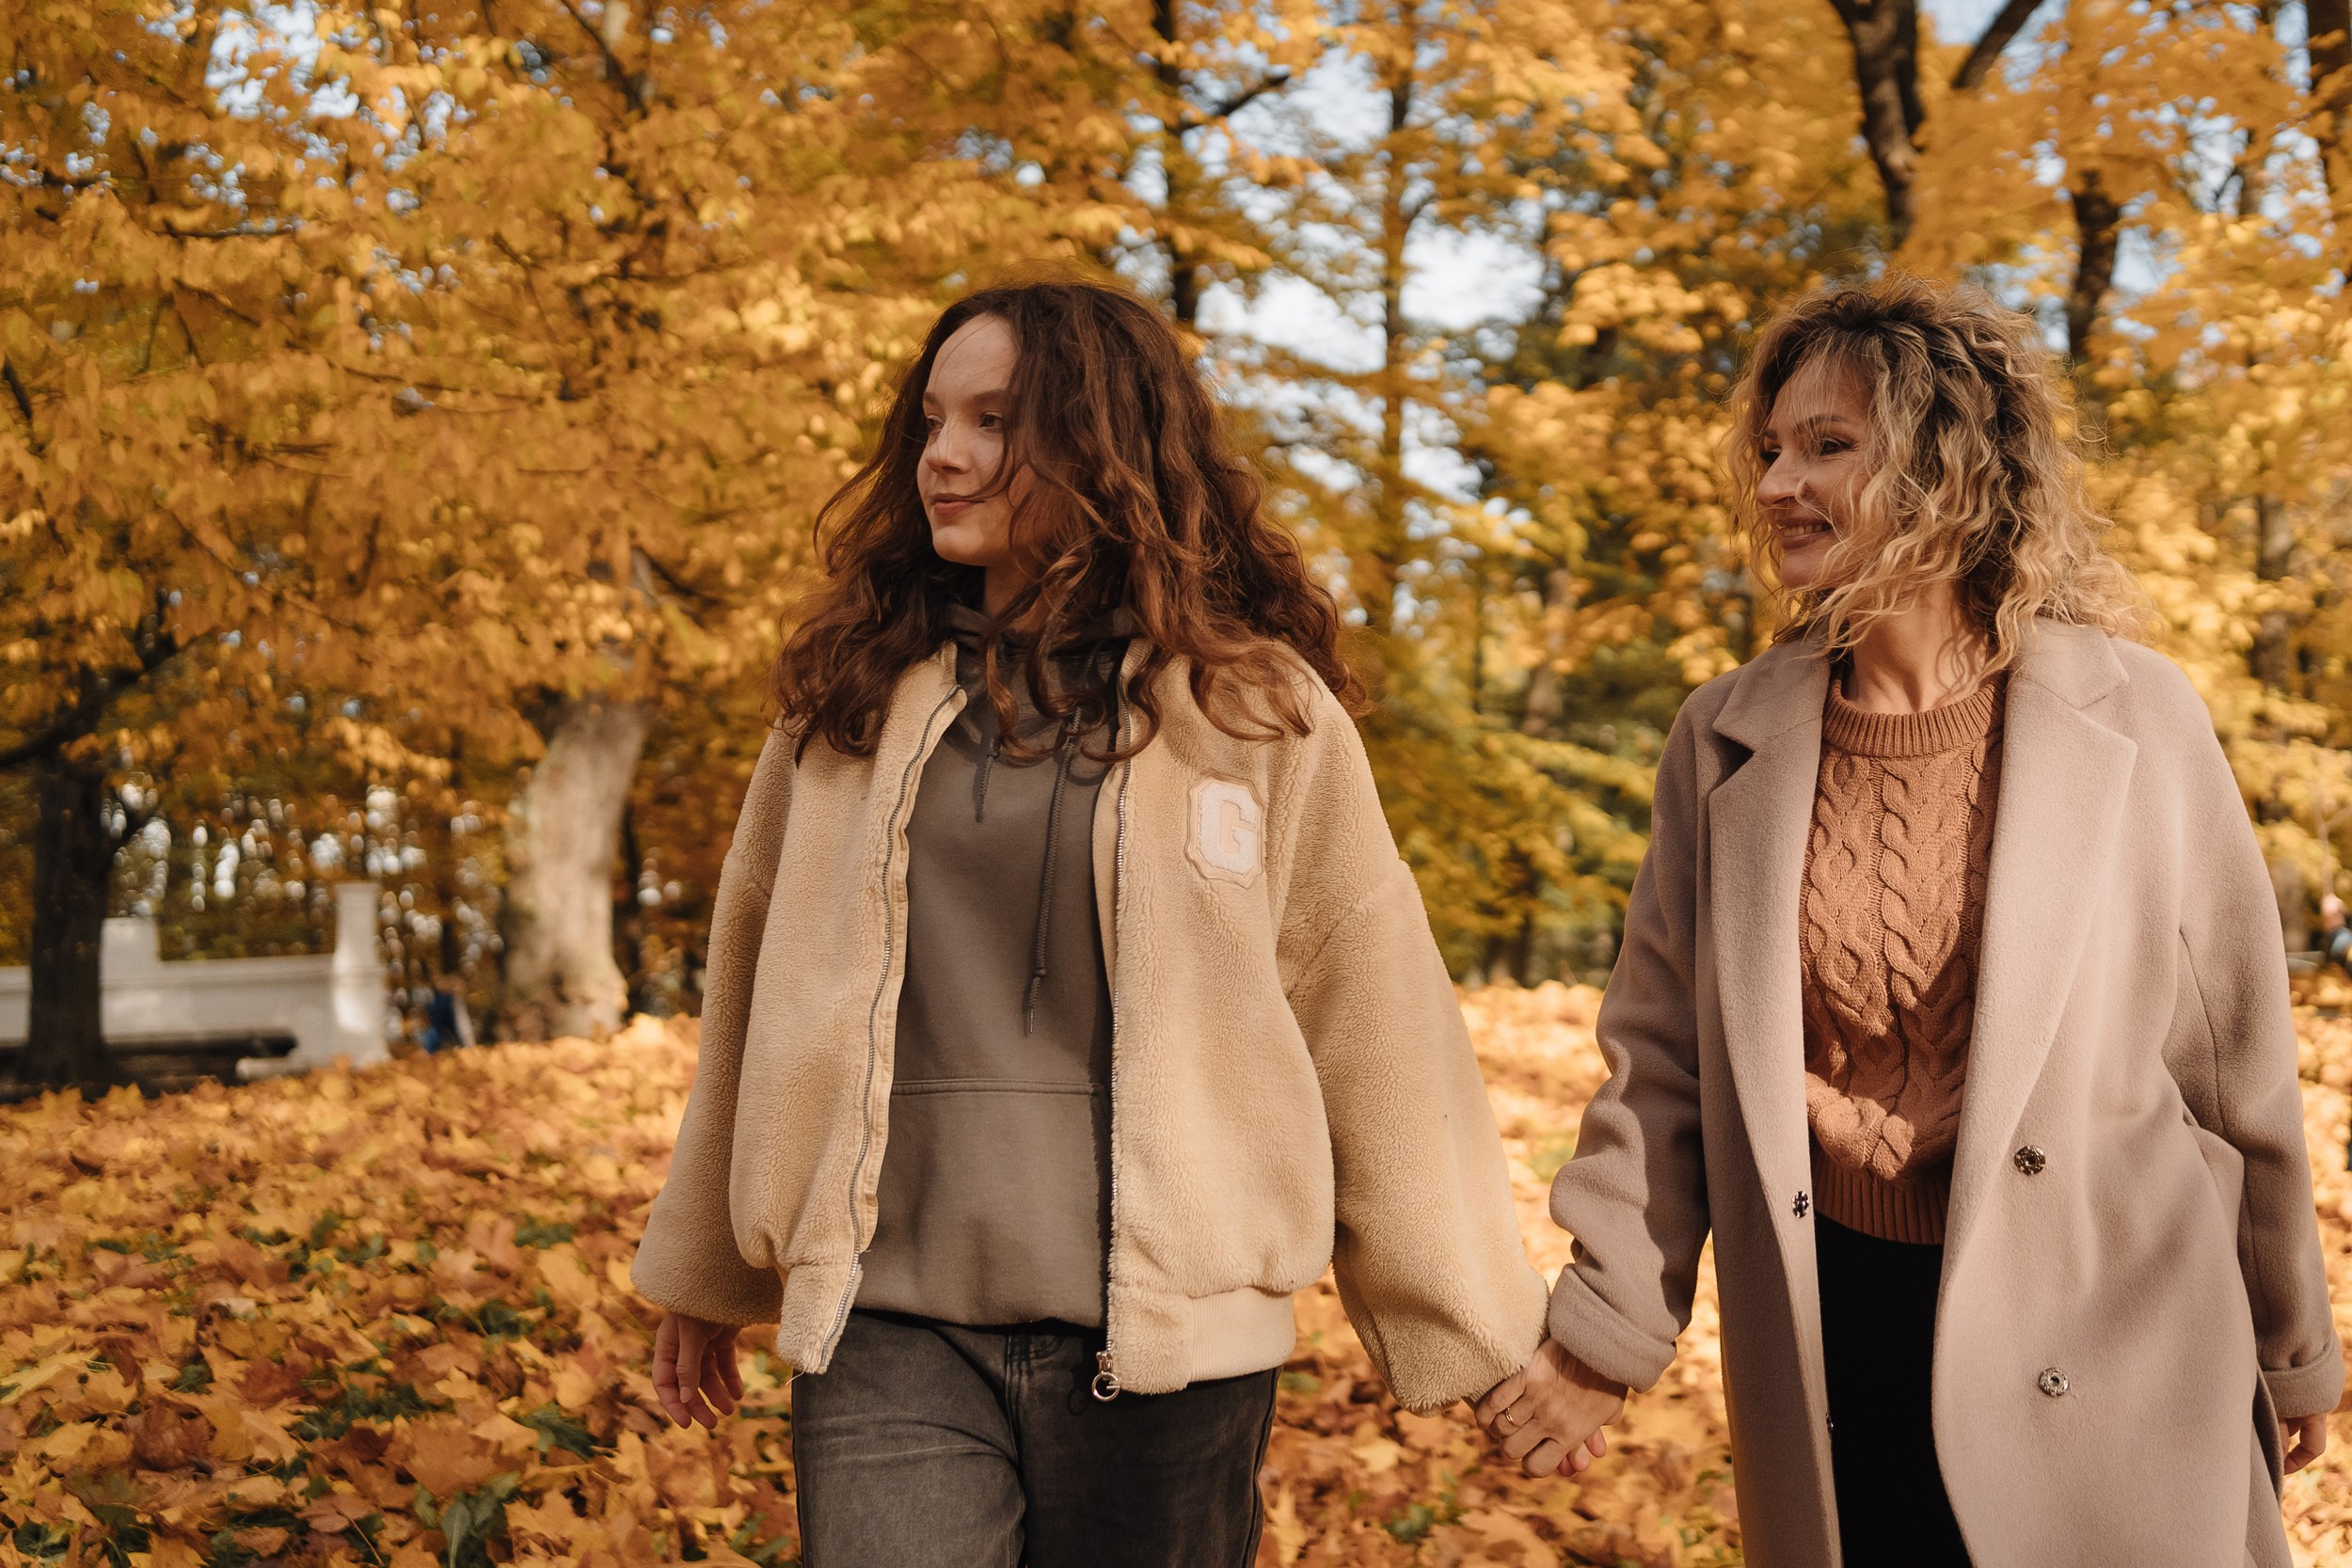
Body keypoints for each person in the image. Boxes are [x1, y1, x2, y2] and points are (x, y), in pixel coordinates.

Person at [628, 278, 1547, 1567]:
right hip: (890, 1328)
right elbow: (752, 993)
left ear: (1107, 449)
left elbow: (1373, 1017)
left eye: (995, 421)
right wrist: (705, 1273)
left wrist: (1474, 1328)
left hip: (1166, 1348)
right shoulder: (846, 711)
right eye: (934, 421)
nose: (942, 455)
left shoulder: (1255, 715)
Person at [1475, 276, 2342, 1567]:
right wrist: (1609, 1327)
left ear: (1954, 473)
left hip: (2122, 1321)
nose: (1775, 484)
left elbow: (2232, 1065)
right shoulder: (1722, 740)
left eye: (1829, 446)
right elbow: (1660, 1064)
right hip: (1841, 1341)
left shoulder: (2139, 716)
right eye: (1770, 448)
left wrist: (2290, 1345)